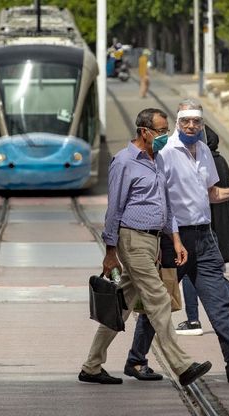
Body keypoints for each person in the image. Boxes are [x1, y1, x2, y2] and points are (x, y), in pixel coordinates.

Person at [78, 108, 211, 386]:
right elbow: (114, 209)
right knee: (159, 299)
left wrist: (174, 240)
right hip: (132, 238)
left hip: (152, 241)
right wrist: (110, 251)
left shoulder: (158, 160)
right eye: (161, 131)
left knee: (122, 306)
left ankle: (91, 366)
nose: (165, 136)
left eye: (165, 131)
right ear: (143, 131)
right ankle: (182, 365)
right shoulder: (124, 161)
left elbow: (166, 205)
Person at [124, 99, 229, 384]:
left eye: (196, 121)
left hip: (205, 238)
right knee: (160, 303)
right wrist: (172, 238)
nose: (191, 126)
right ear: (178, 123)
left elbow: (212, 194)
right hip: (173, 240)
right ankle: (136, 360)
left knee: (218, 302)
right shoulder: (165, 153)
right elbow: (161, 200)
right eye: (185, 121)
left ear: (202, 124)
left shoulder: (204, 150)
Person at [176, 124, 229, 336]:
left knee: (200, 273)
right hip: (213, 228)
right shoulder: (219, 160)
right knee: (201, 273)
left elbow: (210, 196)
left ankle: (195, 320)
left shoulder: (207, 161)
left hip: (206, 230)